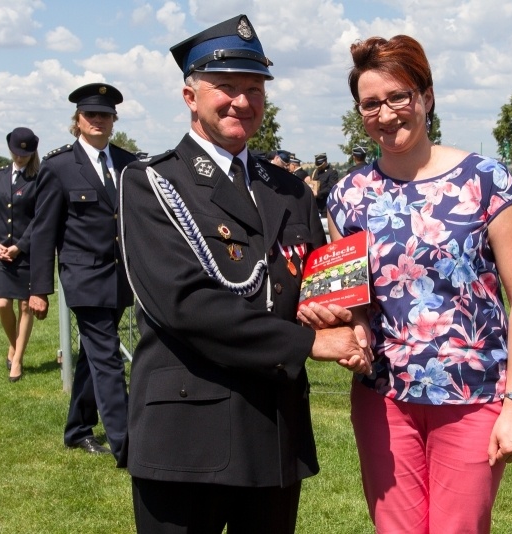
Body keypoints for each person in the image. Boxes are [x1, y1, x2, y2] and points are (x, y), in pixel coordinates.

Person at [118, 15, 371, 534]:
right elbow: (185, 305)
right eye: (226, 87)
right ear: (191, 96)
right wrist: (309, 345)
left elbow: (316, 285)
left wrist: (344, 317)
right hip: (188, 432)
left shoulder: (290, 189)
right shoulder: (152, 183)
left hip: (273, 429)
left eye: (254, 89)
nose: (242, 101)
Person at [300, 34, 512, 533]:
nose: (386, 114)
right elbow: (356, 299)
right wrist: (358, 327)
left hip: (473, 396)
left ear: (426, 97)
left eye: (398, 97)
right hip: (382, 399)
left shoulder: (485, 180)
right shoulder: (348, 195)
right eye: (371, 103)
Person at [29, 83, 137, 458]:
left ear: (113, 120)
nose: (98, 121)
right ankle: (127, 443)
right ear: (77, 121)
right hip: (83, 278)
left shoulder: (128, 164)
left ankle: (78, 428)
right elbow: (44, 232)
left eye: (105, 115)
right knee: (107, 355)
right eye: (91, 115)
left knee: (95, 355)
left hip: (121, 279)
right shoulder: (58, 167)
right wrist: (38, 289)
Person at [0, 127, 41, 382]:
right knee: (3, 304)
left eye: (25, 155)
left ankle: (17, 359)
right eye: (17, 153)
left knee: (26, 305)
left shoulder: (38, 178)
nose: (21, 158)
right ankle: (14, 344)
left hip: (26, 252)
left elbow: (39, 217)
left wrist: (20, 246)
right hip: (1, 252)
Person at [311, 152, 338, 217]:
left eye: (321, 165)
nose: (319, 167)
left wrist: (318, 194)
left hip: (325, 206)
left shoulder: (332, 172)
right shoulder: (316, 172)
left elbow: (331, 188)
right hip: (316, 206)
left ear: (325, 162)